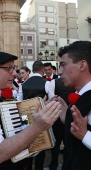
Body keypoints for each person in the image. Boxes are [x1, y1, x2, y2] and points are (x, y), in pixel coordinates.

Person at [0, 52, 62, 170]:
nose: (14, 73)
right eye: (9, 68)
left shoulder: (6, 95)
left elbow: (20, 122)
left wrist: (37, 112)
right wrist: (37, 127)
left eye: (14, 68)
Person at [57, 41, 91, 170]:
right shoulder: (81, 95)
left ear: (82, 65)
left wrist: (84, 135)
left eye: (63, 65)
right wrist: (67, 117)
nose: (59, 72)